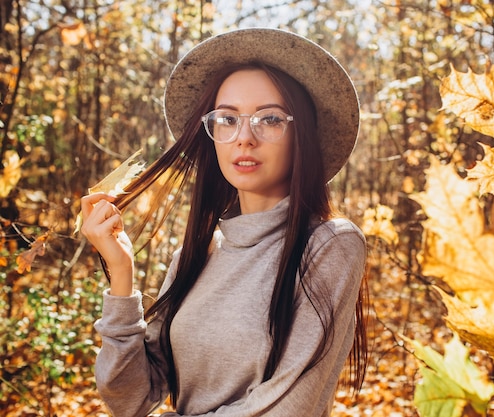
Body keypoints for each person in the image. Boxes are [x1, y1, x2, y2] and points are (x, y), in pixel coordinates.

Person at [80, 28, 368, 417]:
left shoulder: (330, 245)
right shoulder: (194, 257)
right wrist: (121, 273)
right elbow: (129, 399)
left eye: (269, 118)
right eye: (227, 119)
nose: (243, 138)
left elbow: (287, 409)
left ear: (301, 135)